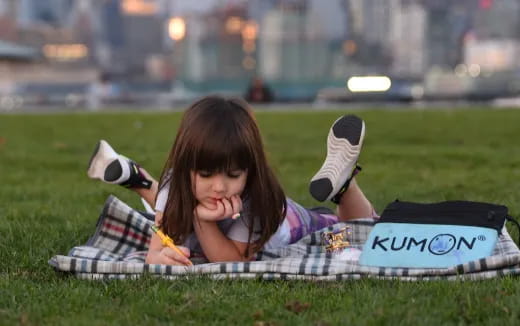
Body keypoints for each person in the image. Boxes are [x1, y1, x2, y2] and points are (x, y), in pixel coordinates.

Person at [87, 95, 376, 266]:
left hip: (293, 223)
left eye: (233, 175)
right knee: (180, 202)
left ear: (250, 172)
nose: (220, 187)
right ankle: (135, 177)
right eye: (206, 174)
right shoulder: (173, 186)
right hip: (188, 198)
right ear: (185, 167)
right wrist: (158, 258)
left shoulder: (256, 201)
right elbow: (156, 247)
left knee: (355, 231)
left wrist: (203, 220)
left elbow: (230, 262)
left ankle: (345, 185)